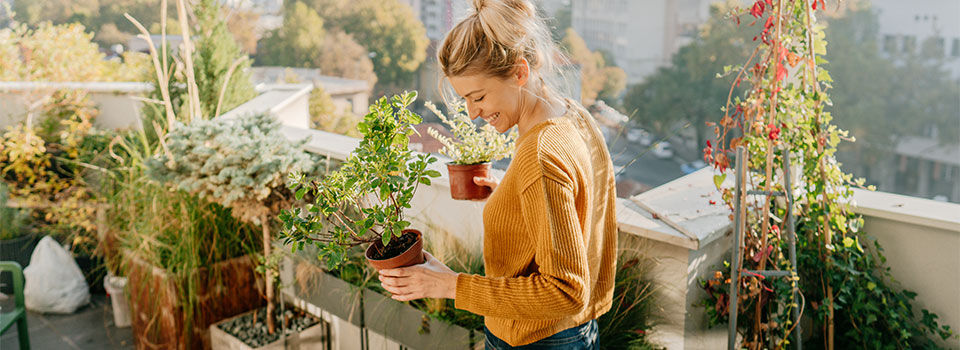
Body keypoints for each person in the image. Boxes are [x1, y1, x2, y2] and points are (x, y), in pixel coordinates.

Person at [377, 0, 618, 348]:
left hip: (537, 339)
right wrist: (512, 191)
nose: (473, 113)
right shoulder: (573, 115)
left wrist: (447, 285)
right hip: (575, 333)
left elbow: (565, 291)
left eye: (478, 97)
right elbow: (578, 202)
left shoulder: (540, 154)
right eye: (465, 101)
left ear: (520, 73)